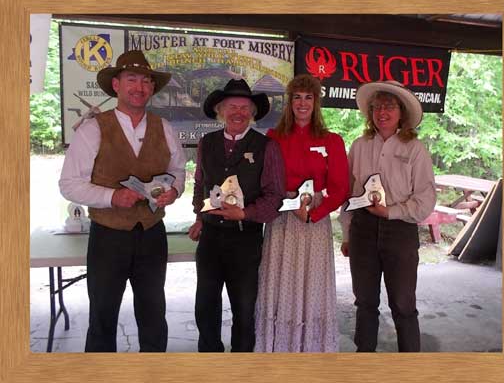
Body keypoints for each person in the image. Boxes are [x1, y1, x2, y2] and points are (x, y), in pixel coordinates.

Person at [59, 50, 186, 352]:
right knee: (103, 317)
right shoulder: (93, 128)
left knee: (154, 316)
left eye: (145, 81)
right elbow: (69, 184)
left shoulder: (164, 128)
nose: (139, 87)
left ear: (152, 88)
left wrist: (175, 190)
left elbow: (178, 170)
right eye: (132, 80)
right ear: (116, 85)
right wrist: (111, 196)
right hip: (108, 238)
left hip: (152, 235)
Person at [188, 79, 285, 352]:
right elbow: (200, 185)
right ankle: (212, 364)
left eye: (245, 107)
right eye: (232, 106)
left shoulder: (267, 147)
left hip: (245, 239)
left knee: (244, 309)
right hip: (210, 237)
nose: (238, 112)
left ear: (252, 113)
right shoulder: (206, 143)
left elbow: (274, 195)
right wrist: (199, 216)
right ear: (221, 110)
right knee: (205, 307)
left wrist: (246, 212)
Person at [254, 74, 350, 352]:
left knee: (311, 283)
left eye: (308, 97)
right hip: (282, 218)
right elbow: (266, 179)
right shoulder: (273, 137)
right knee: (280, 279)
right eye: (297, 97)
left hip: (313, 221)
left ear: (316, 102)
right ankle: (279, 345)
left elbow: (340, 187)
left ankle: (310, 347)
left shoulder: (332, 140)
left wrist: (313, 214)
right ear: (289, 102)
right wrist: (290, 205)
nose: (302, 103)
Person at [340, 80, 436, 352]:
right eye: (377, 107)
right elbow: (349, 194)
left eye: (389, 106)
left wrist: (391, 211)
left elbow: (426, 199)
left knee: (404, 304)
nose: (382, 112)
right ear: (370, 112)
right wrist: (347, 234)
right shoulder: (359, 146)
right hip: (362, 230)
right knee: (365, 302)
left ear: (401, 113)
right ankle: (365, 360)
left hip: (400, 231)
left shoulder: (415, 149)